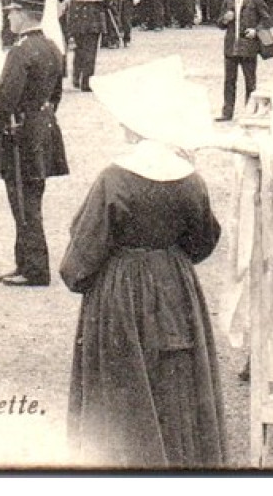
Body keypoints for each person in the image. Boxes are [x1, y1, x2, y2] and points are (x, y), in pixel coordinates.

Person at [61, 57, 226, 468]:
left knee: (123, 382)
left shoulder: (115, 177)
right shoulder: (189, 177)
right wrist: (168, 257)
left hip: (122, 289)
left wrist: (84, 277)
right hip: (174, 285)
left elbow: (83, 253)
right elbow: (204, 240)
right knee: (175, 377)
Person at [0, 0, 68, 287]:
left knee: (23, 201)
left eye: (11, 14)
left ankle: (34, 268)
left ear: (20, 15)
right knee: (31, 197)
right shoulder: (53, 47)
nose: (8, 19)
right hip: (43, 129)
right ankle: (26, 263)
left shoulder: (20, 51)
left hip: (20, 136)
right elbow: (56, 95)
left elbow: (6, 97)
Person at [216, 0, 273, 122]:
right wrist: (225, 19)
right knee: (229, 81)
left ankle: (250, 112)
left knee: (250, 80)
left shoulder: (255, 0)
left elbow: (268, 20)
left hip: (248, 47)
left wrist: (256, 30)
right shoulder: (228, 1)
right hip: (231, 47)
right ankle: (227, 113)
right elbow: (219, 24)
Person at [59, 0, 114, 92]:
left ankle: (76, 78)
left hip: (76, 17)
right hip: (93, 17)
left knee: (78, 48)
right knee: (90, 49)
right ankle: (86, 82)